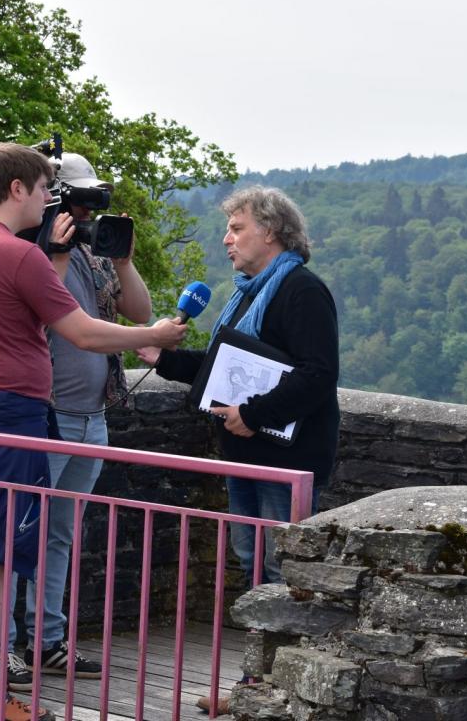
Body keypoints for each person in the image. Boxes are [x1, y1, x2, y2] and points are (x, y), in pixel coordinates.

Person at [0, 142, 187, 721]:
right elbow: (85, 334)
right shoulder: (19, 257)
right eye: (44, 189)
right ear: (17, 188)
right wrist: (159, 338)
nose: (49, 201)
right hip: (11, 421)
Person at [137, 185, 339, 712]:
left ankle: (279, 690)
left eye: (237, 228)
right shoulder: (251, 291)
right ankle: (256, 686)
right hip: (246, 454)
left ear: (270, 232)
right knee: (254, 567)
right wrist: (164, 359)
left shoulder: (301, 290)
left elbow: (318, 375)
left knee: (282, 572)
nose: (227, 239)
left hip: (285, 461)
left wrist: (253, 415)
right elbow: (228, 367)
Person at [2, 152, 151, 688]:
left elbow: (139, 311)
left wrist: (126, 260)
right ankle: (3, 647)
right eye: (77, 199)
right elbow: (42, 322)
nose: (87, 211)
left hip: (91, 417)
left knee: (59, 536)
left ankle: (46, 642)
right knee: (16, 535)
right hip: (45, 416)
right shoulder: (25, 253)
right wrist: (56, 252)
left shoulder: (95, 254)